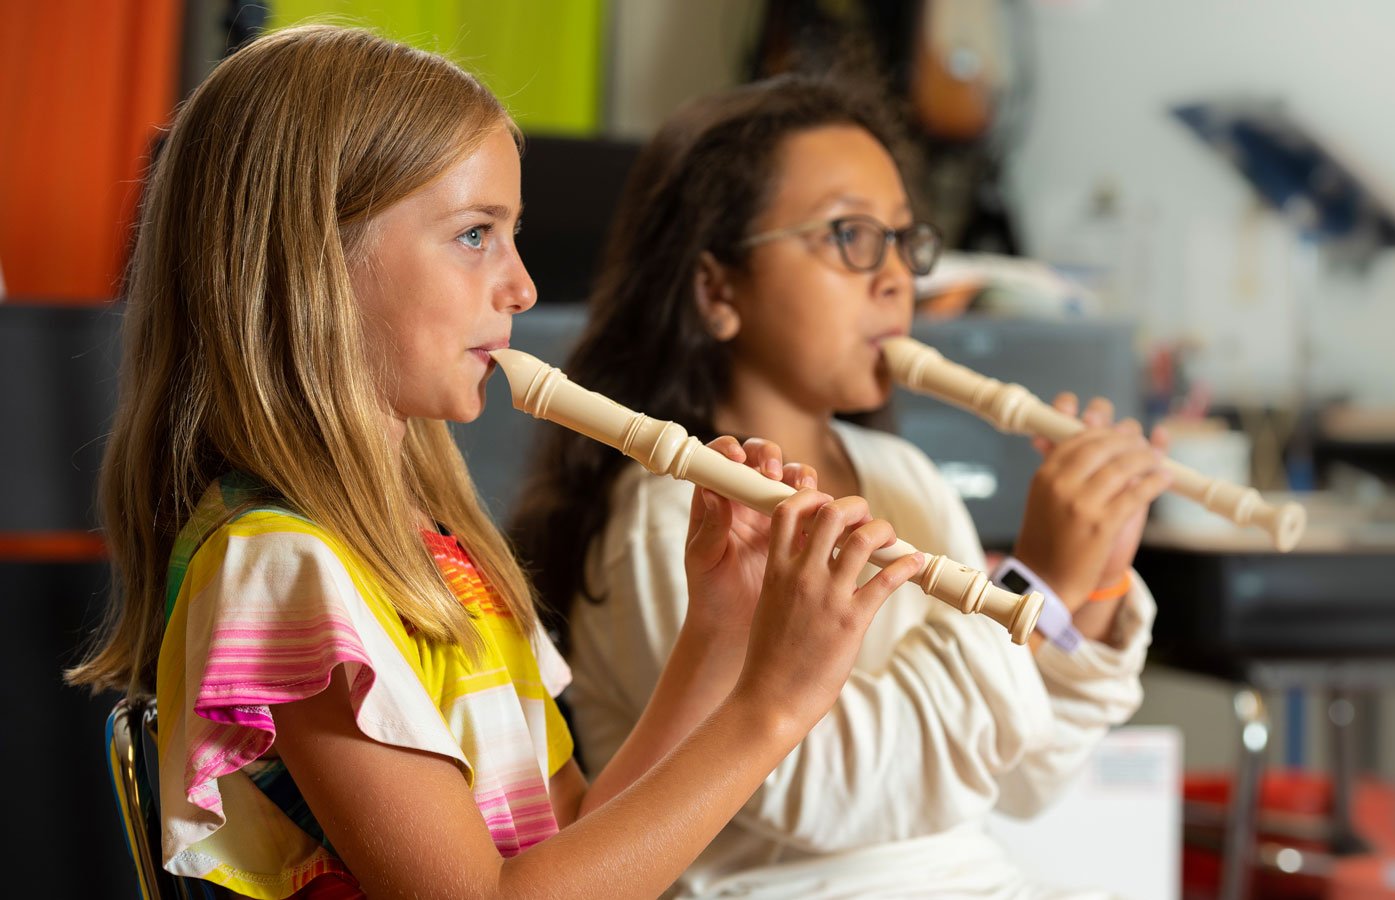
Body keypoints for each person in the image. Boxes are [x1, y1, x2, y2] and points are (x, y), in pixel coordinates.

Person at [66, 26, 920, 899]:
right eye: (476, 235)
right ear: (315, 261)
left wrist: (719, 636)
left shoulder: (443, 554)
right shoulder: (283, 571)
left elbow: (575, 848)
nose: (522, 286)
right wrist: (771, 709)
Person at [514, 75, 1171, 899]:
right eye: (850, 236)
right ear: (719, 290)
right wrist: (1039, 585)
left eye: (903, 240)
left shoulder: (905, 477)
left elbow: (1022, 778)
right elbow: (825, 798)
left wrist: (1094, 580)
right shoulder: (683, 521)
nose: (897, 277)